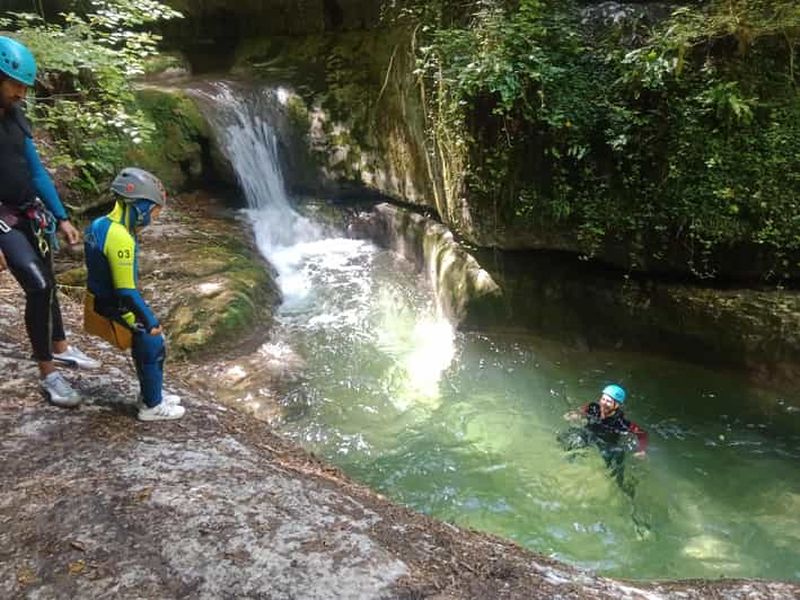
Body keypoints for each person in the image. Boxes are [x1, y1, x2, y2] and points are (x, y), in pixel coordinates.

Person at [0, 35, 100, 408]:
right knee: (38, 287)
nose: (22, 93)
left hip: (28, 208)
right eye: (16, 85)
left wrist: (60, 216)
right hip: (2, 218)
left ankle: (60, 346)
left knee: (50, 279)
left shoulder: (15, 116)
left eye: (25, 87)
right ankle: (49, 374)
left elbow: (37, 170)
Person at [84, 167, 185, 421]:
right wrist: (150, 321)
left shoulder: (100, 224)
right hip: (113, 304)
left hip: (99, 297)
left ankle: (152, 393)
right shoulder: (120, 237)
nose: (155, 217)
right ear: (139, 206)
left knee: (146, 342)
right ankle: (152, 405)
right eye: (154, 211)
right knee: (152, 343)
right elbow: (126, 290)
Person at [561, 384, 648, 491]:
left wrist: (641, 450)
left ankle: (622, 487)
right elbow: (580, 412)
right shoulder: (592, 408)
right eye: (603, 399)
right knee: (573, 437)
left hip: (606, 443)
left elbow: (642, 434)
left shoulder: (621, 422)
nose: (603, 403)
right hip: (589, 434)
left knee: (617, 456)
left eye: (609, 401)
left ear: (617, 405)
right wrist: (574, 415)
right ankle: (567, 463)